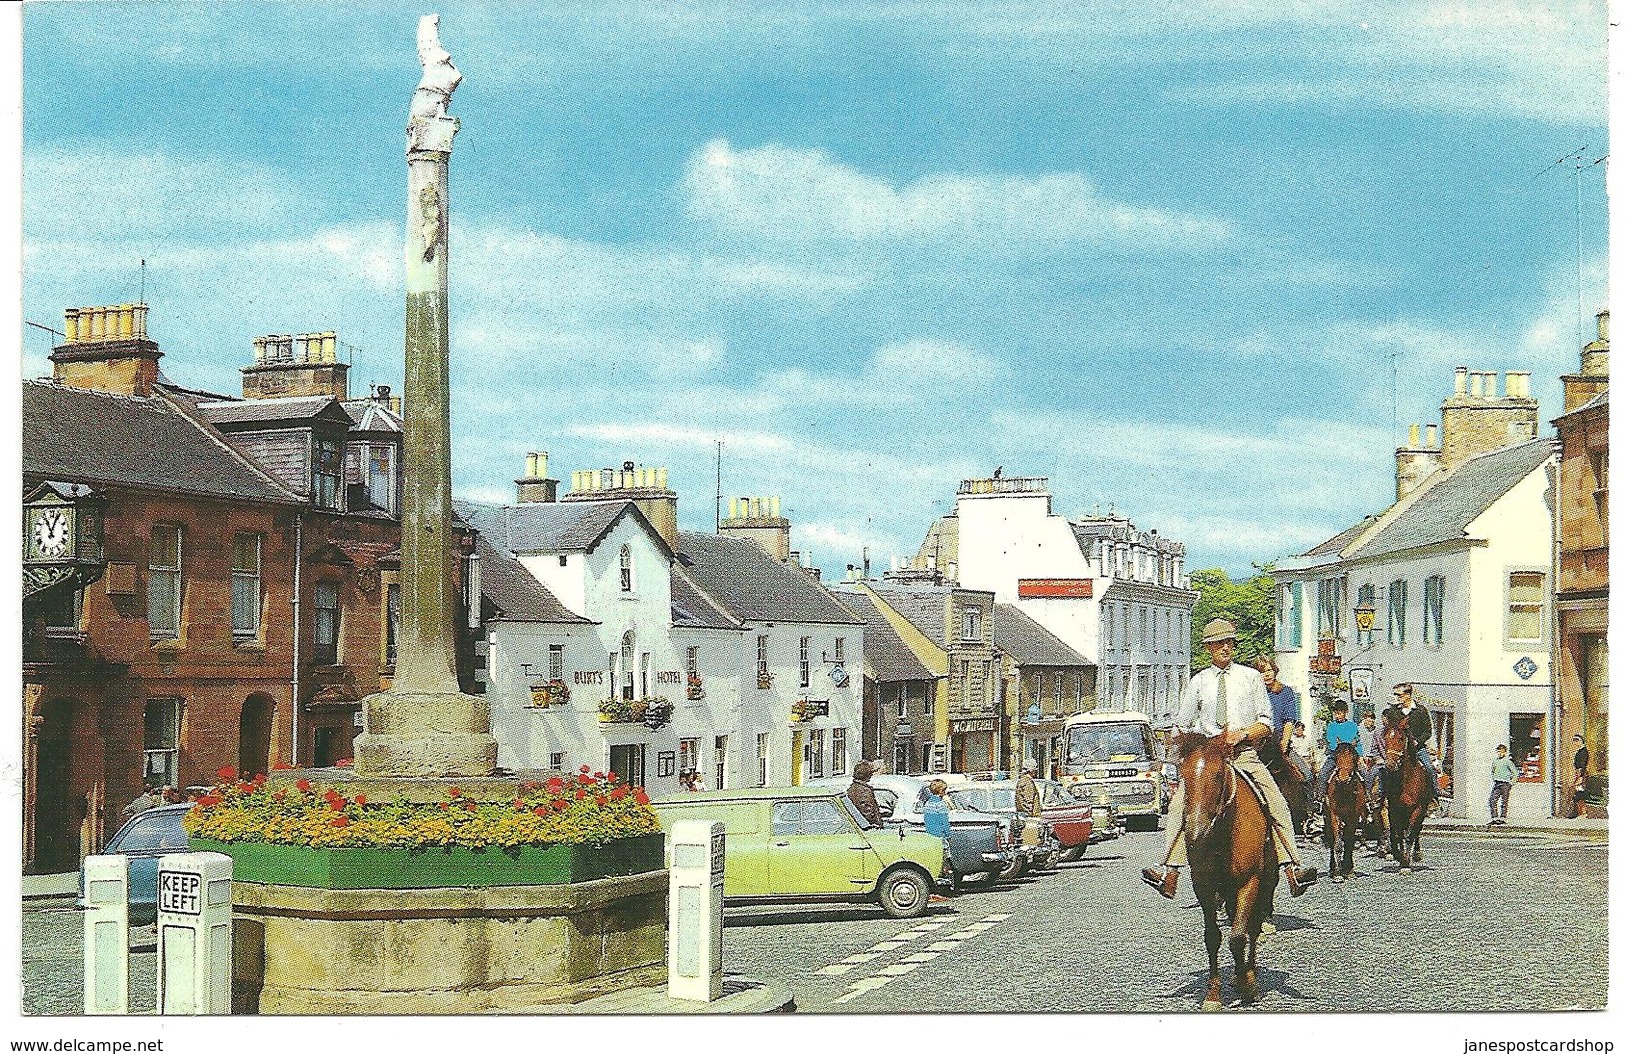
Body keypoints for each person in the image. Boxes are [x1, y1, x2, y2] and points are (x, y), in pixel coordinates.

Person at [1142, 618, 1317, 899]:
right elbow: (1182, 724)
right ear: (1209, 648)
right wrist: (1182, 753)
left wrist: (1243, 733)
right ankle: (1169, 870)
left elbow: (1266, 722)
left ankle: (1292, 866)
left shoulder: (1251, 678)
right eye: (1219, 643)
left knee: (1276, 801)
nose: (1225, 647)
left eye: (1229, 642)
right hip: (1209, 759)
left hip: (1243, 755)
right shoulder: (1198, 682)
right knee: (1178, 807)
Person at [1382, 683, 1442, 796]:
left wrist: (1418, 741)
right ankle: (1381, 798)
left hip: (1417, 748)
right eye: (1395, 694)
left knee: (1429, 768)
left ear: (1408, 695)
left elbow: (1427, 731)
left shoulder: (1420, 710)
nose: (1396, 697)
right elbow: (1390, 729)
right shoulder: (1393, 711)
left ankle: (1435, 795)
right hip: (1399, 749)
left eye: (1399, 694)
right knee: (1385, 769)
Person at [1315, 701, 1362, 802]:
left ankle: (1368, 800)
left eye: (1340, 713)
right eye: (1335, 713)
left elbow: (1357, 742)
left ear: (1346, 712)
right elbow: (1332, 742)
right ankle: (1319, 800)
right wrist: (1346, 745)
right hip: (1335, 756)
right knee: (1323, 774)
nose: (1337, 715)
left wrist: (1360, 756)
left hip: (1351, 757)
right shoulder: (1331, 726)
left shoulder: (1353, 726)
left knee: (1365, 774)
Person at [1255, 655, 1299, 734]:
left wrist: (1284, 744)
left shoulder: (1285, 691)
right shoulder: (1254, 692)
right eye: (1262, 672)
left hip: (1277, 738)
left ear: (1274, 671)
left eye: (1269, 670)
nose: (1266, 675)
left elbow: (1289, 721)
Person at [1488, 744, 1516, 825]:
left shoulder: (1508, 762)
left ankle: (1503, 818)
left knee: (1504, 801)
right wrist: (1494, 777)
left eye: (1502, 752)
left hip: (1505, 784)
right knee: (1492, 800)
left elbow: (1515, 773)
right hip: (1497, 783)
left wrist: (1511, 783)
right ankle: (1495, 818)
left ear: (1505, 752)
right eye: (1499, 751)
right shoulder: (1495, 761)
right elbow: (1493, 771)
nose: (1500, 753)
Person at [847, 760, 881, 827]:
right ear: (867, 774)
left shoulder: (853, 787)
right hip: (868, 829)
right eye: (870, 772)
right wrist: (875, 824)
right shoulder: (864, 791)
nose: (872, 775)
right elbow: (867, 812)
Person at [1569, 734, 1590, 819]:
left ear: (1581, 741)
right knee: (1578, 794)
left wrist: (1580, 777)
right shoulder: (1580, 751)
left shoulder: (1583, 752)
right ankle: (1580, 812)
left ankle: (1583, 813)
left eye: (1576, 741)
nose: (1575, 744)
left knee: (1579, 794)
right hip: (1579, 774)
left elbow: (1582, 765)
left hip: (1582, 775)